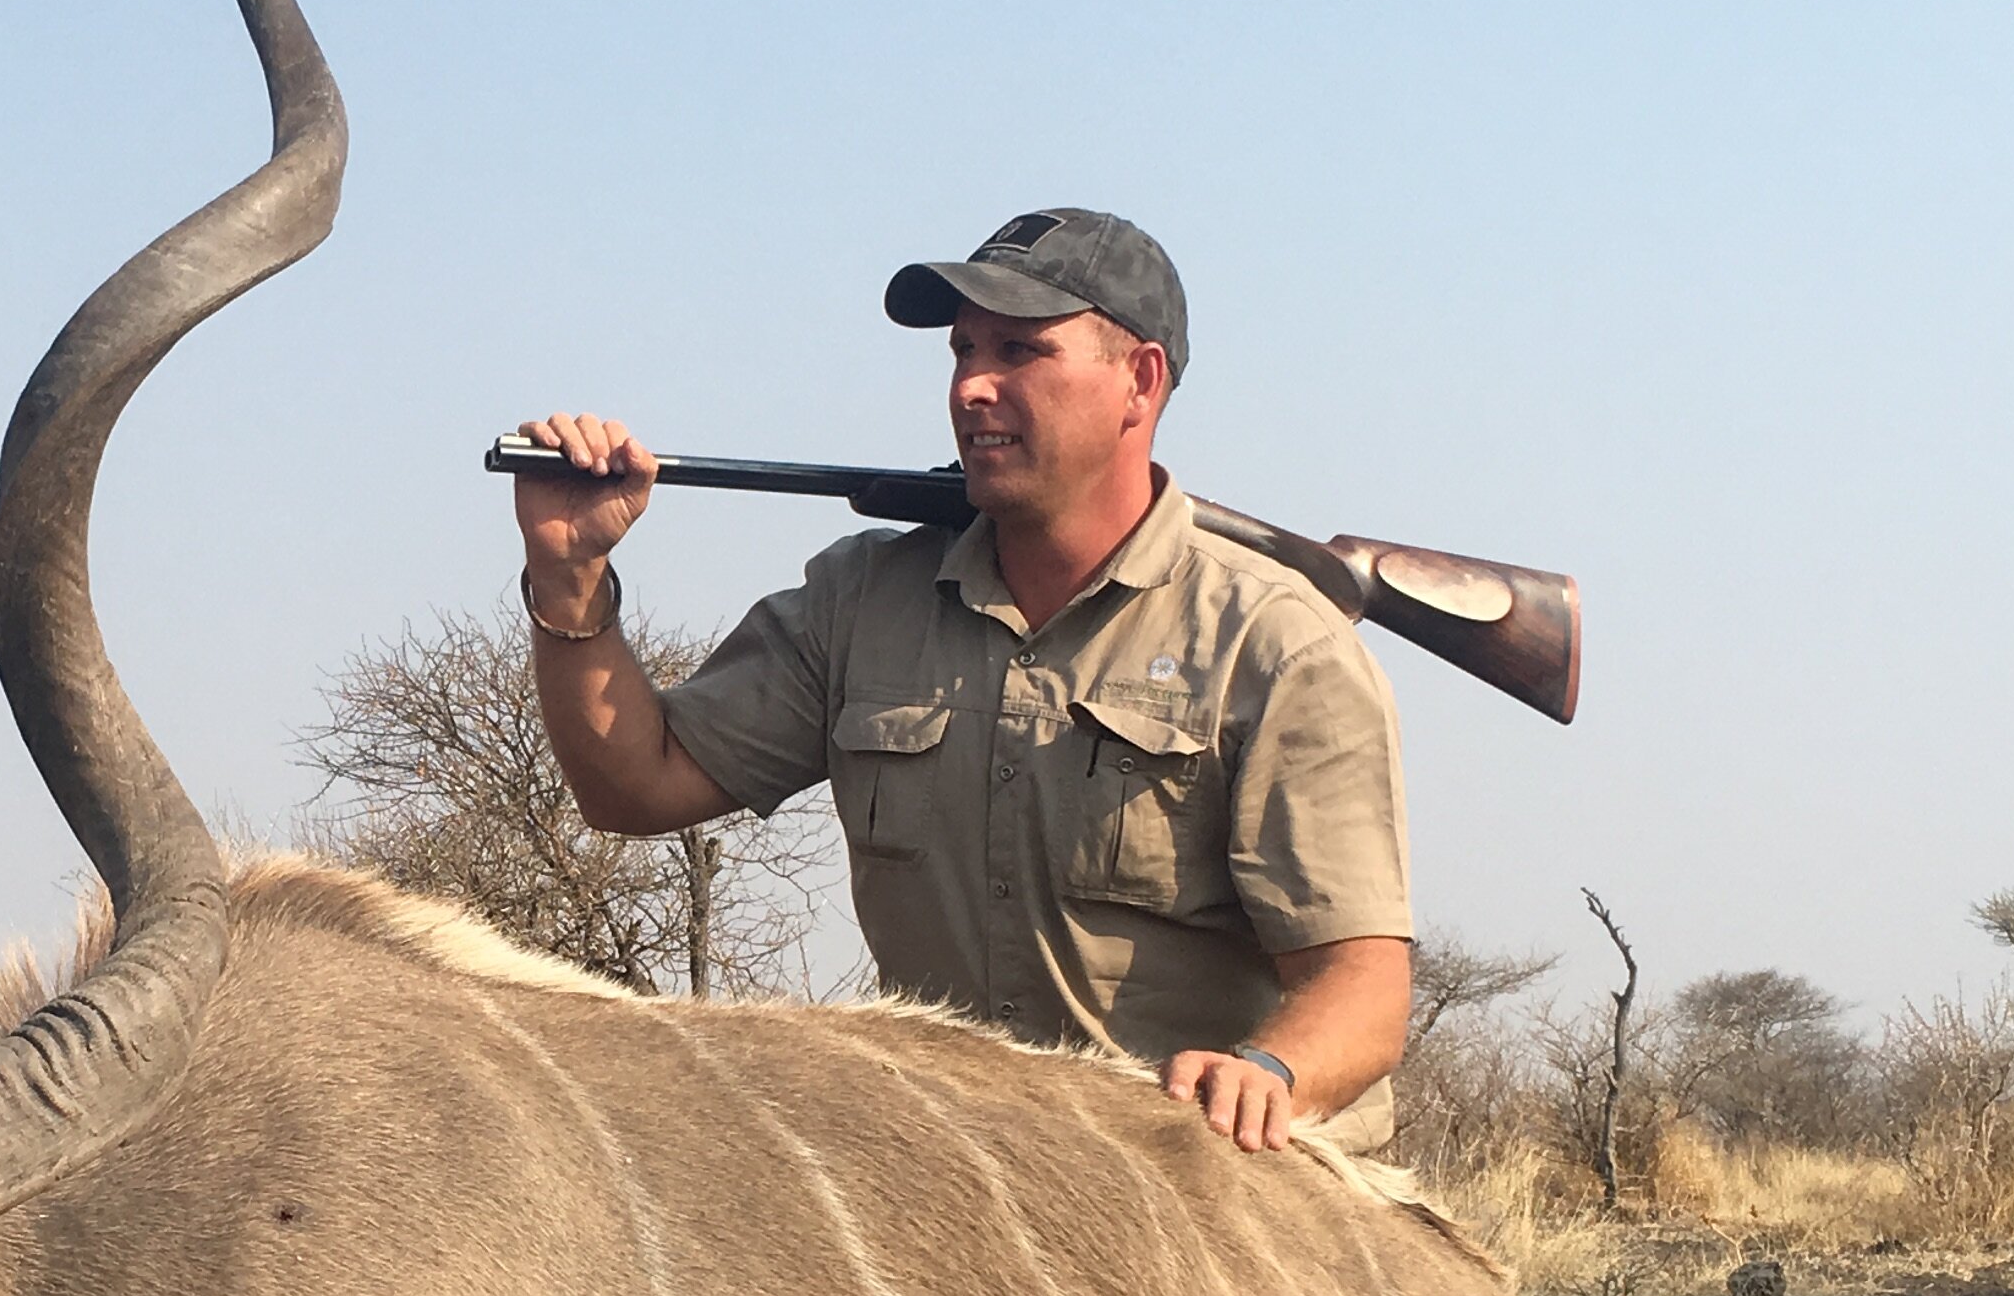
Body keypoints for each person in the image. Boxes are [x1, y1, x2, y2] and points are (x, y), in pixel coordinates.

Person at [510, 207, 1414, 1154]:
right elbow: (632, 784)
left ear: (1139, 382)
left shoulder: (1278, 646)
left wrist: (1266, 1074)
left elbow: (1361, 987)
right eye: (963, 350)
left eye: (1021, 351)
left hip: (1197, 1195)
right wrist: (569, 577)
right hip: (955, 1188)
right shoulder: (860, 598)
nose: (973, 385)